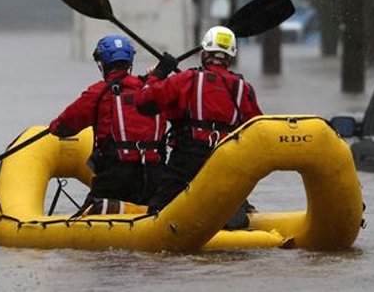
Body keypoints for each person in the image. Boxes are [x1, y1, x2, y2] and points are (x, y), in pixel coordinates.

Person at [137, 26, 263, 229]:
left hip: (187, 160)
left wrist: (157, 75)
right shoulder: (243, 88)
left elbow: (143, 102)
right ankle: (238, 217)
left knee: (157, 213)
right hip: (227, 159)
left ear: (204, 54)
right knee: (231, 204)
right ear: (229, 58)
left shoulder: (186, 79)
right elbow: (258, 131)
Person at [48, 35, 167, 212]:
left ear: (102, 63)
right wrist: (160, 74)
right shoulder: (153, 89)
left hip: (115, 177)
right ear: (129, 62)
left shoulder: (98, 92)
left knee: (86, 217)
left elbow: (60, 128)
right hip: (154, 176)